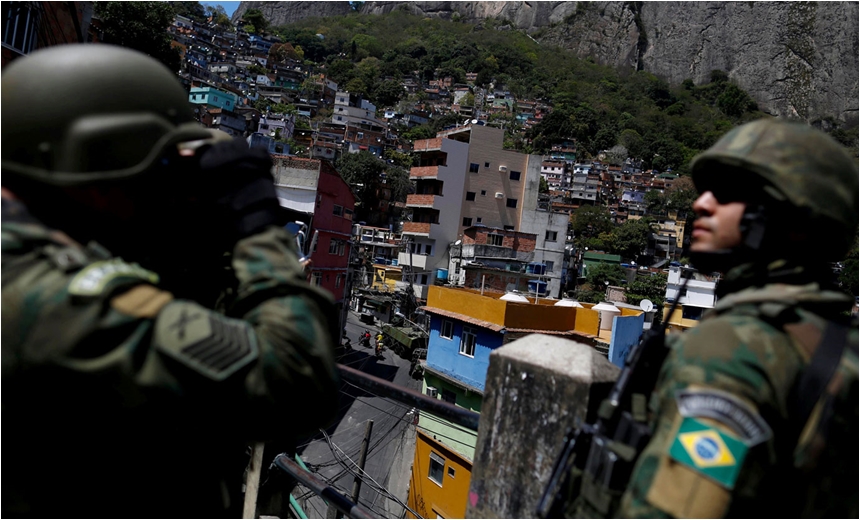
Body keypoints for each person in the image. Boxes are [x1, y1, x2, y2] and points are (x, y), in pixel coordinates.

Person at [1, 44, 339, 518]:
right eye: (156, 168)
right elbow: (295, 382)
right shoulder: (54, 296)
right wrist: (257, 228)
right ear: (99, 161)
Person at [617, 119, 858, 518]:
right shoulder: (840, 343)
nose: (701, 203)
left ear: (788, 217)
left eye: (726, 194)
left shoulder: (733, 348)